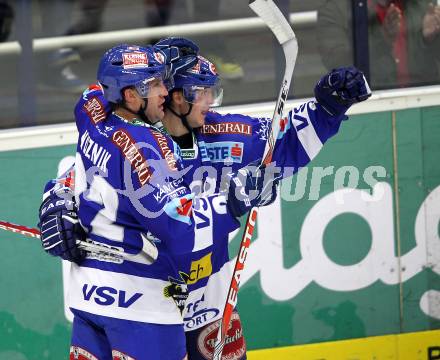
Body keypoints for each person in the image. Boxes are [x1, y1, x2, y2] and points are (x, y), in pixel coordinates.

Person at [39, 37, 371, 359]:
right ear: (176, 97)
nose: (211, 101)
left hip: (205, 304)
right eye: (202, 92)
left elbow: (283, 141)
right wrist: (58, 198)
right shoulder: (133, 140)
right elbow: (84, 169)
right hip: (142, 302)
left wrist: (328, 108)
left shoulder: (224, 135)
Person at [317, 0, 440, 89]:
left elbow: (430, 70)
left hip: (421, 104)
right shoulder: (335, 11)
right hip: (371, 109)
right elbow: (338, 64)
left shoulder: (421, 4)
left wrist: (428, 39)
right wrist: (383, 39)